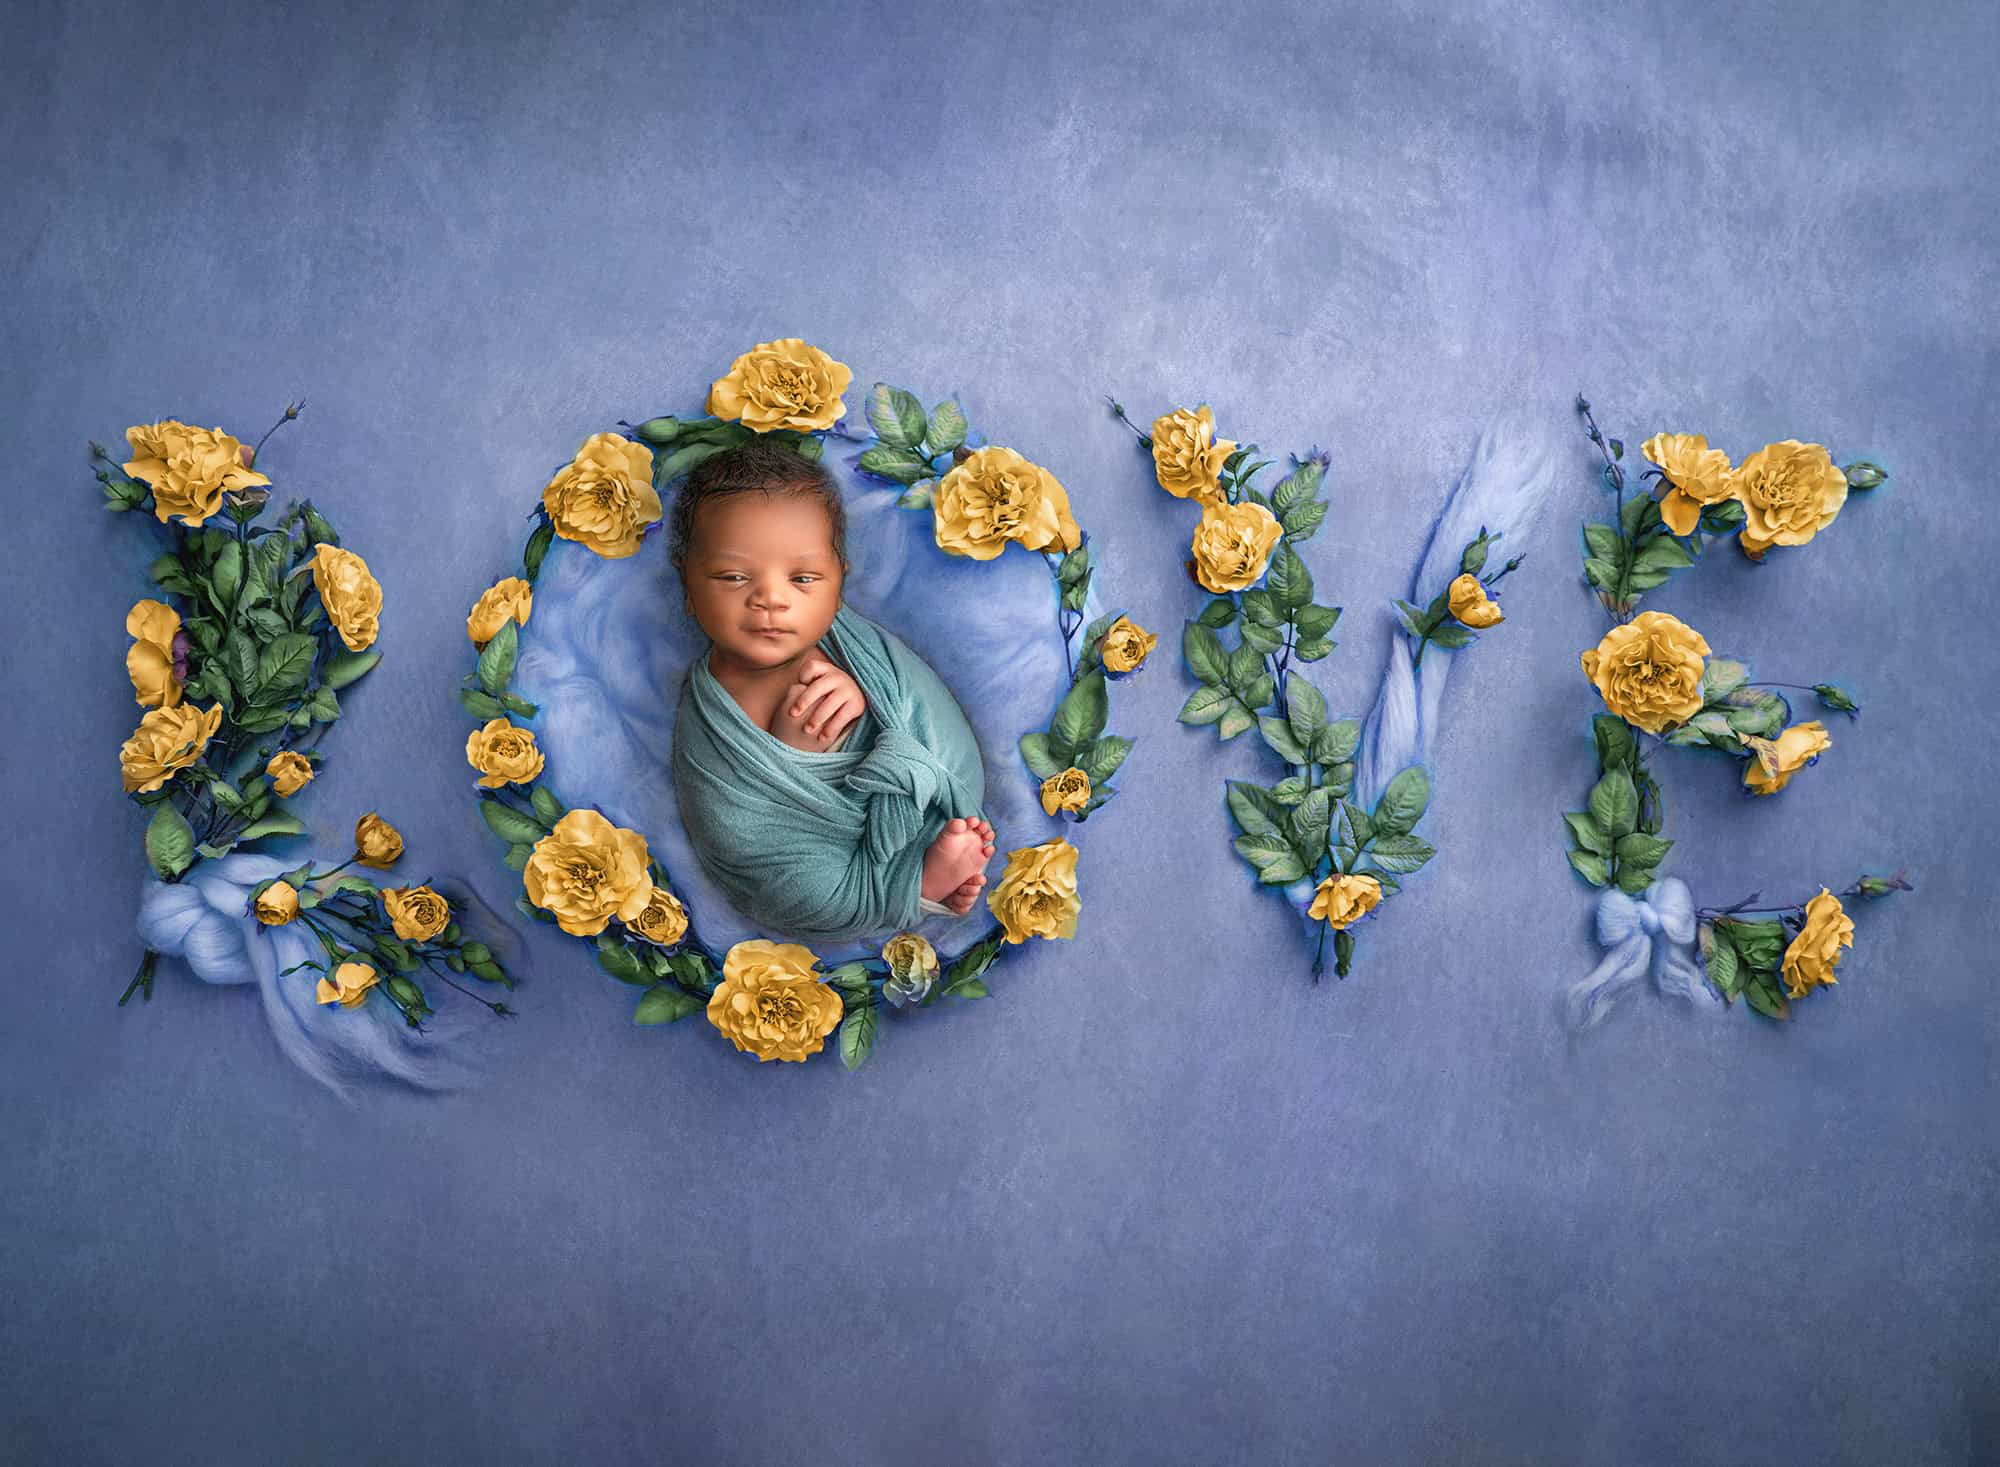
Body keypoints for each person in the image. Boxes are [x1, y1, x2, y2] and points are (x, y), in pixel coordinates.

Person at [668, 436, 995, 942]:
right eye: (733, 576)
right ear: (688, 588)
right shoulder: (706, 721)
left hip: (904, 806)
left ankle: (916, 869)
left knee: (941, 769)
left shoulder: (857, 650)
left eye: (803, 578)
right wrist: (797, 755)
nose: (771, 598)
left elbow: (916, 709)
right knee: (799, 893)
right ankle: (913, 885)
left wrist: (868, 705)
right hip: (803, 857)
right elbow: (731, 827)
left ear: (838, 585)